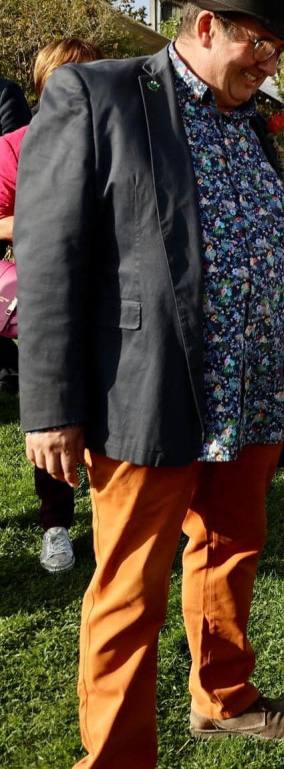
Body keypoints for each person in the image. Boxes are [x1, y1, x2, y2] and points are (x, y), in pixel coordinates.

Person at [16, 0, 284, 767]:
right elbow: (49, 257)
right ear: (204, 25)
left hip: (254, 388)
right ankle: (114, 757)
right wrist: (50, 404)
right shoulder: (101, 95)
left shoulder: (259, 121)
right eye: (257, 43)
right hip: (148, 391)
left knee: (231, 551)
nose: (267, 63)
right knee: (129, 587)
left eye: (275, 50)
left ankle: (223, 699)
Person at [0, 36, 104, 573]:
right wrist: (43, 219)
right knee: (52, 414)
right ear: (44, 86)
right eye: (67, 80)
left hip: (113, 296)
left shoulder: (116, 139)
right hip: (45, 300)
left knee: (112, 412)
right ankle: (57, 526)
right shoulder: (17, 145)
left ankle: (114, 517)